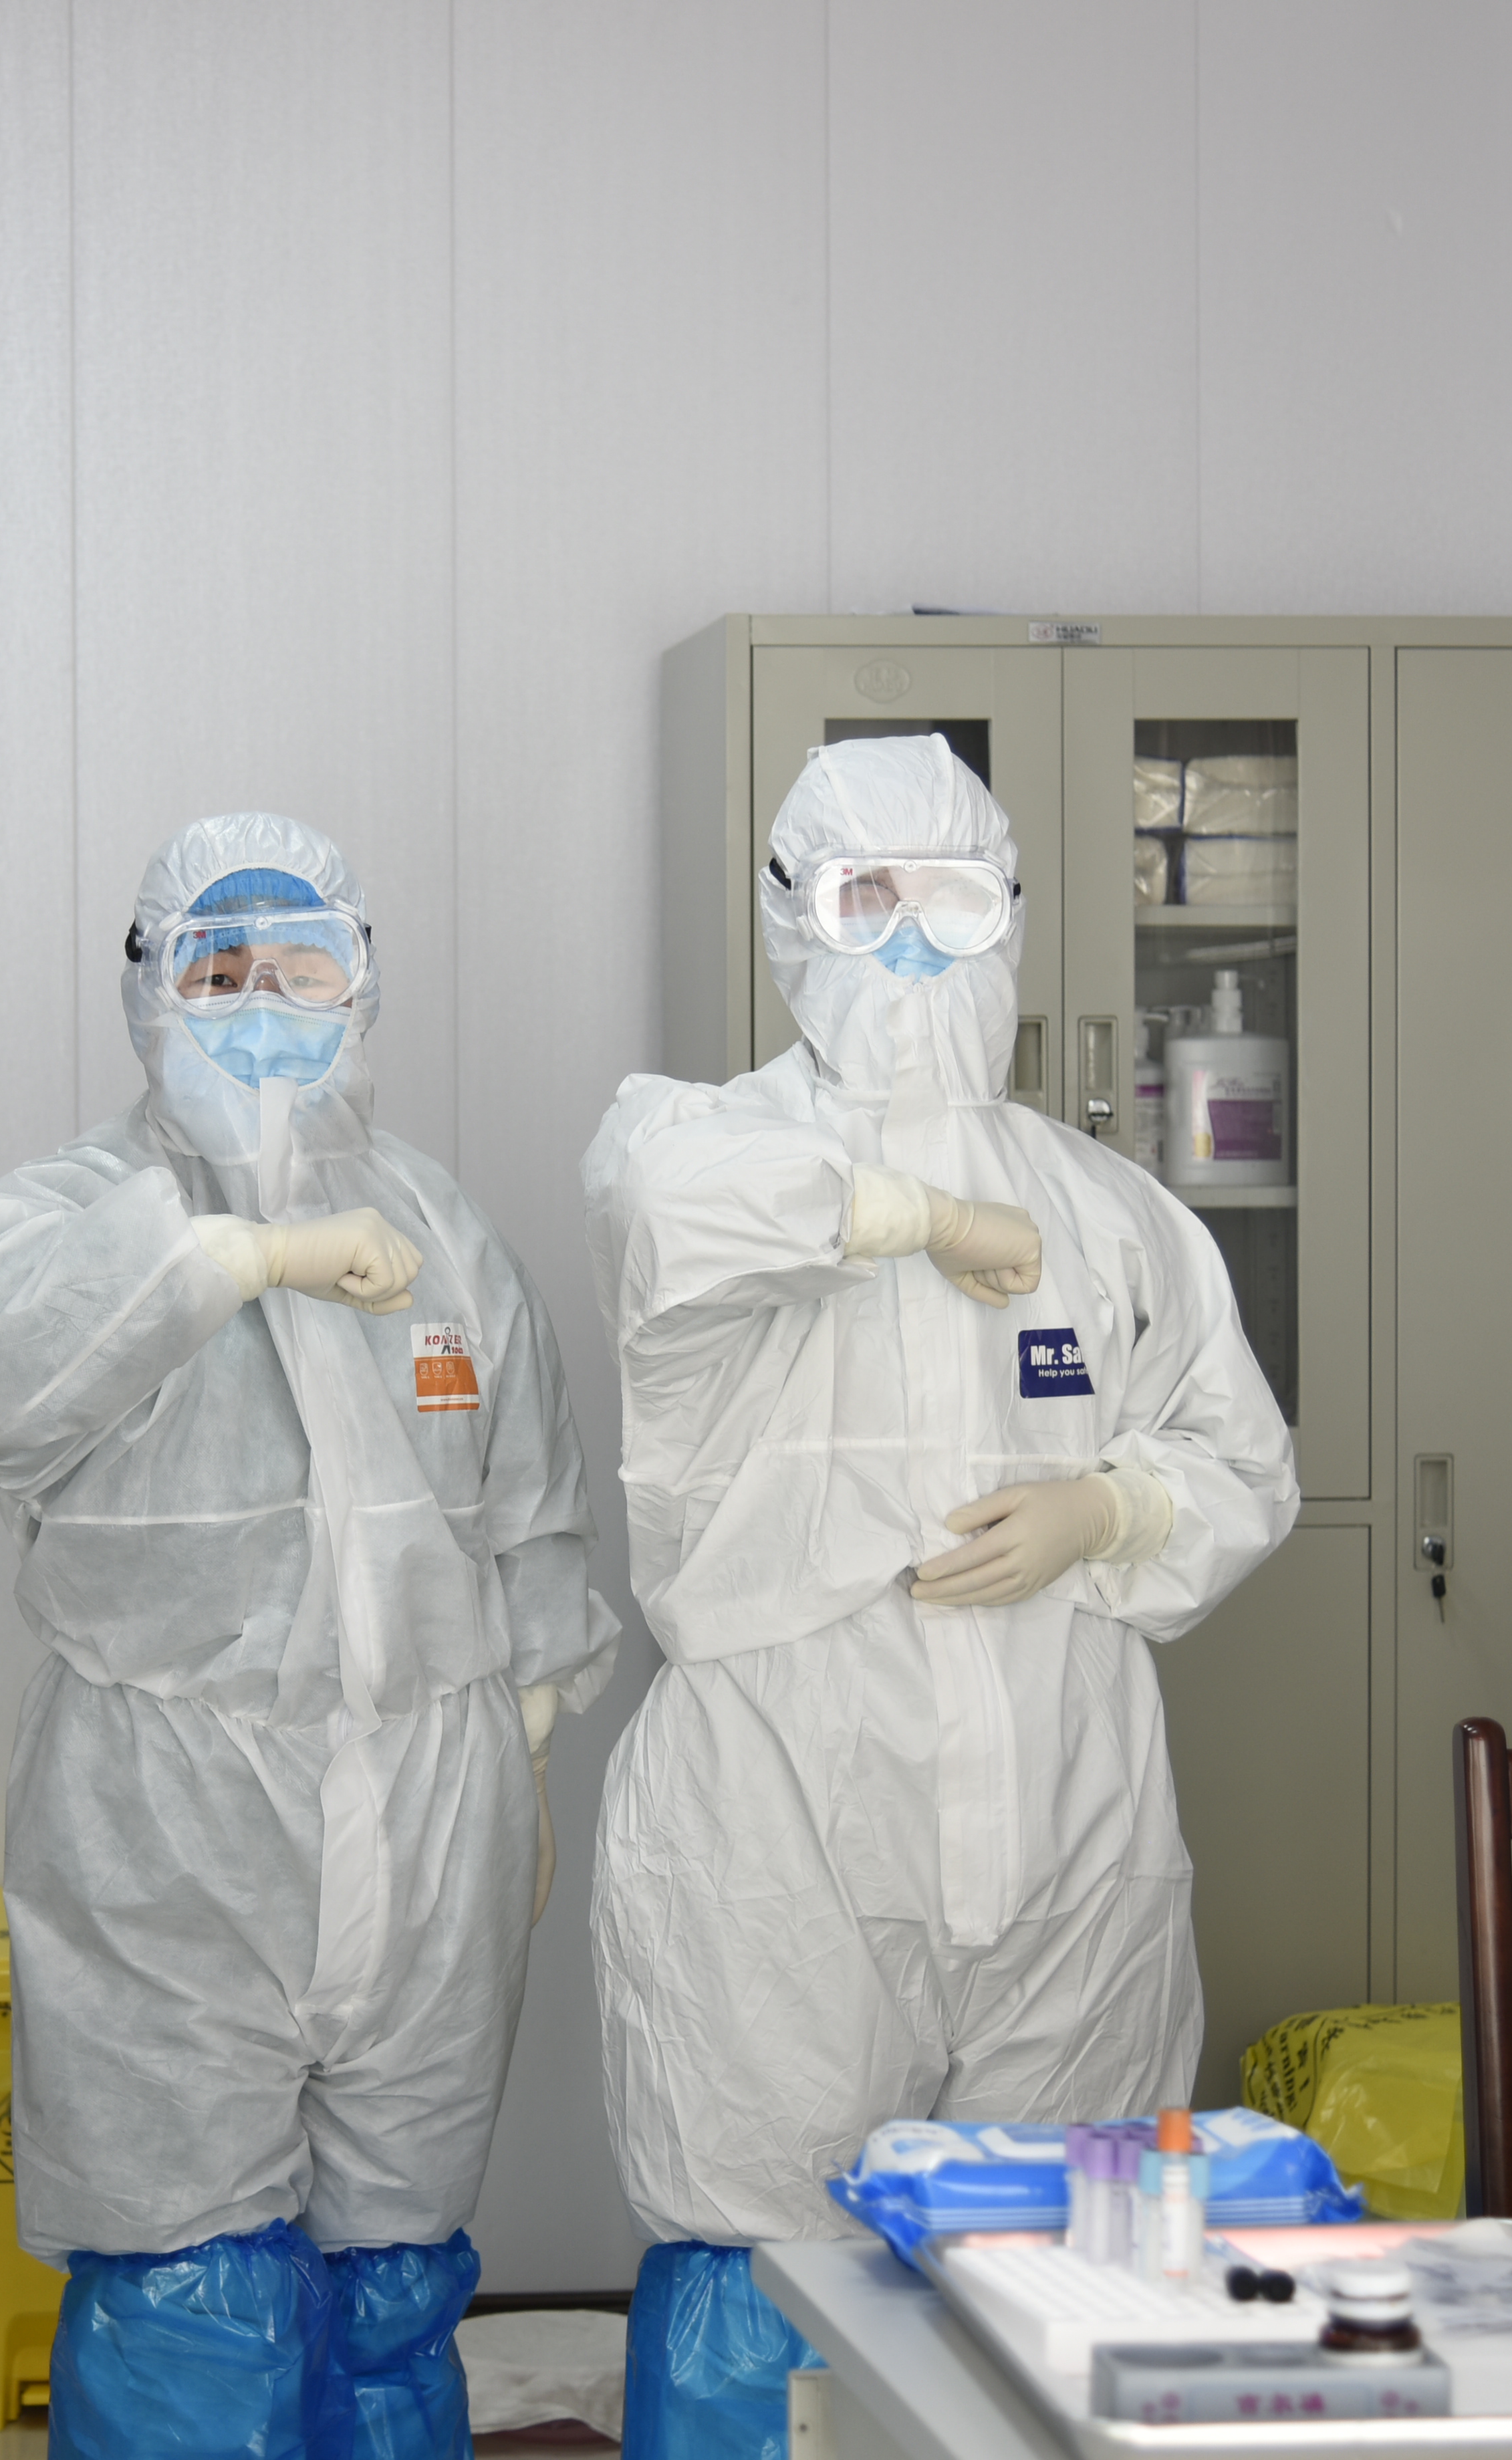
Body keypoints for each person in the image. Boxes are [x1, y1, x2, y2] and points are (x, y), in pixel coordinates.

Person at [581, 737, 1298, 2457]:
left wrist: (1112, 1505)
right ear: (790, 915)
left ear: (1015, 915)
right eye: (863, 897)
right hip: (785, 1824)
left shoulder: (1106, 1208)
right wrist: (917, 1214)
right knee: (770, 2260)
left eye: (951, 899)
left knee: (1056, 2263)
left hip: (1067, 1820)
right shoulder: (702, 1147)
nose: (909, 943)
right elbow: (669, 1210)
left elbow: (1242, 1459)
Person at [0, 814, 617, 2460]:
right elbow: (5, 1348)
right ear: (146, 988)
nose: (261, 1004)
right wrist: (248, 1254)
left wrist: (525, 1749)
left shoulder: (448, 1236)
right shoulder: (67, 1215)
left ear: (364, 985)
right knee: (187, 2279)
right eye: (216, 969)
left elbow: (531, 1512)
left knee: (396, 2267)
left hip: (431, 1806)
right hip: (173, 1821)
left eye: (302, 966)